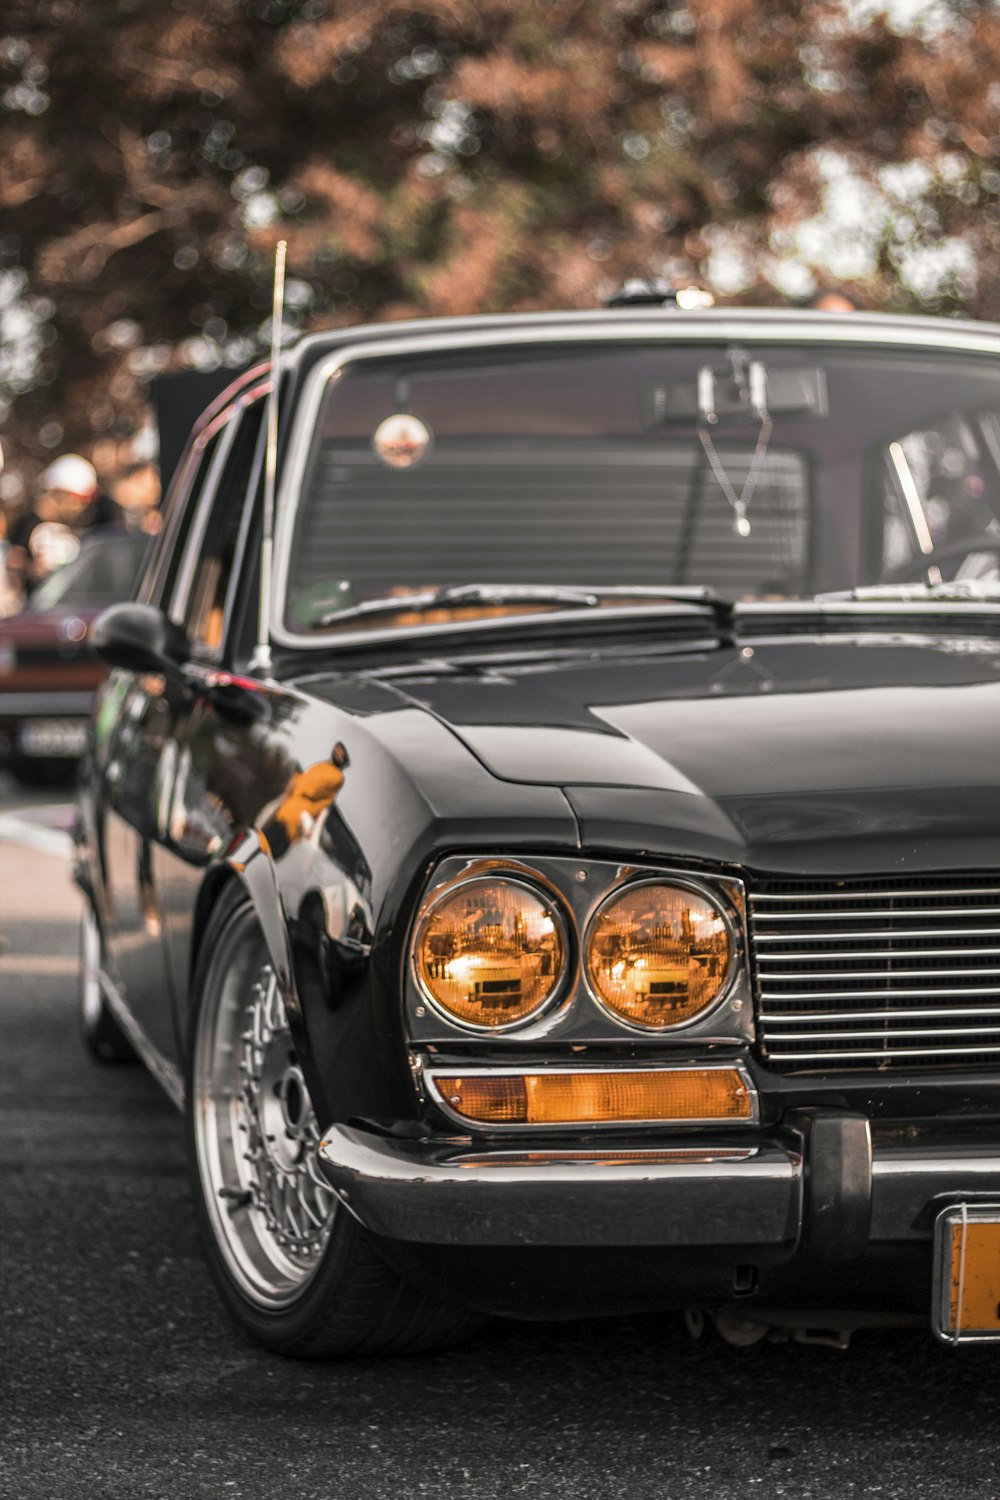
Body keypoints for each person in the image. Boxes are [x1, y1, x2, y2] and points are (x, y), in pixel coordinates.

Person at [5, 453, 113, 600]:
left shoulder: (86, 525)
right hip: (39, 609)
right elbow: (13, 564)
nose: (80, 506)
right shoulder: (28, 525)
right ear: (59, 493)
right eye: (77, 499)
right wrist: (32, 569)